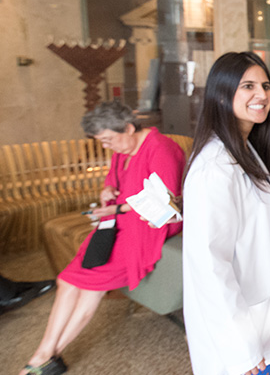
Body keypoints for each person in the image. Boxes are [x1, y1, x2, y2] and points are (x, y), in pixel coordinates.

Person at [19, 101, 185, 375]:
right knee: (69, 282)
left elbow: (164, 201)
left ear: (129, 127)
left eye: (108, 139)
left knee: (78, 285)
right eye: (102, 142)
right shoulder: (124, 147)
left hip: (146, 228)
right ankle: (46, 356)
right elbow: (114, 178)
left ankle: (42, 357)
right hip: (115, 225)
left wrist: (117, 208)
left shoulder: (162, 149)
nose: (108, 147)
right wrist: (108, 190)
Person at [182, 52, 270, 375]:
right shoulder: (215, 167)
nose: (262, 95)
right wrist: (239, 347)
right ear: (221, 93)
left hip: (263, 324)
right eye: (248, 86)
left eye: (265, 86)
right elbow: (210, 265)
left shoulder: (244, 149)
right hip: (241, 345)